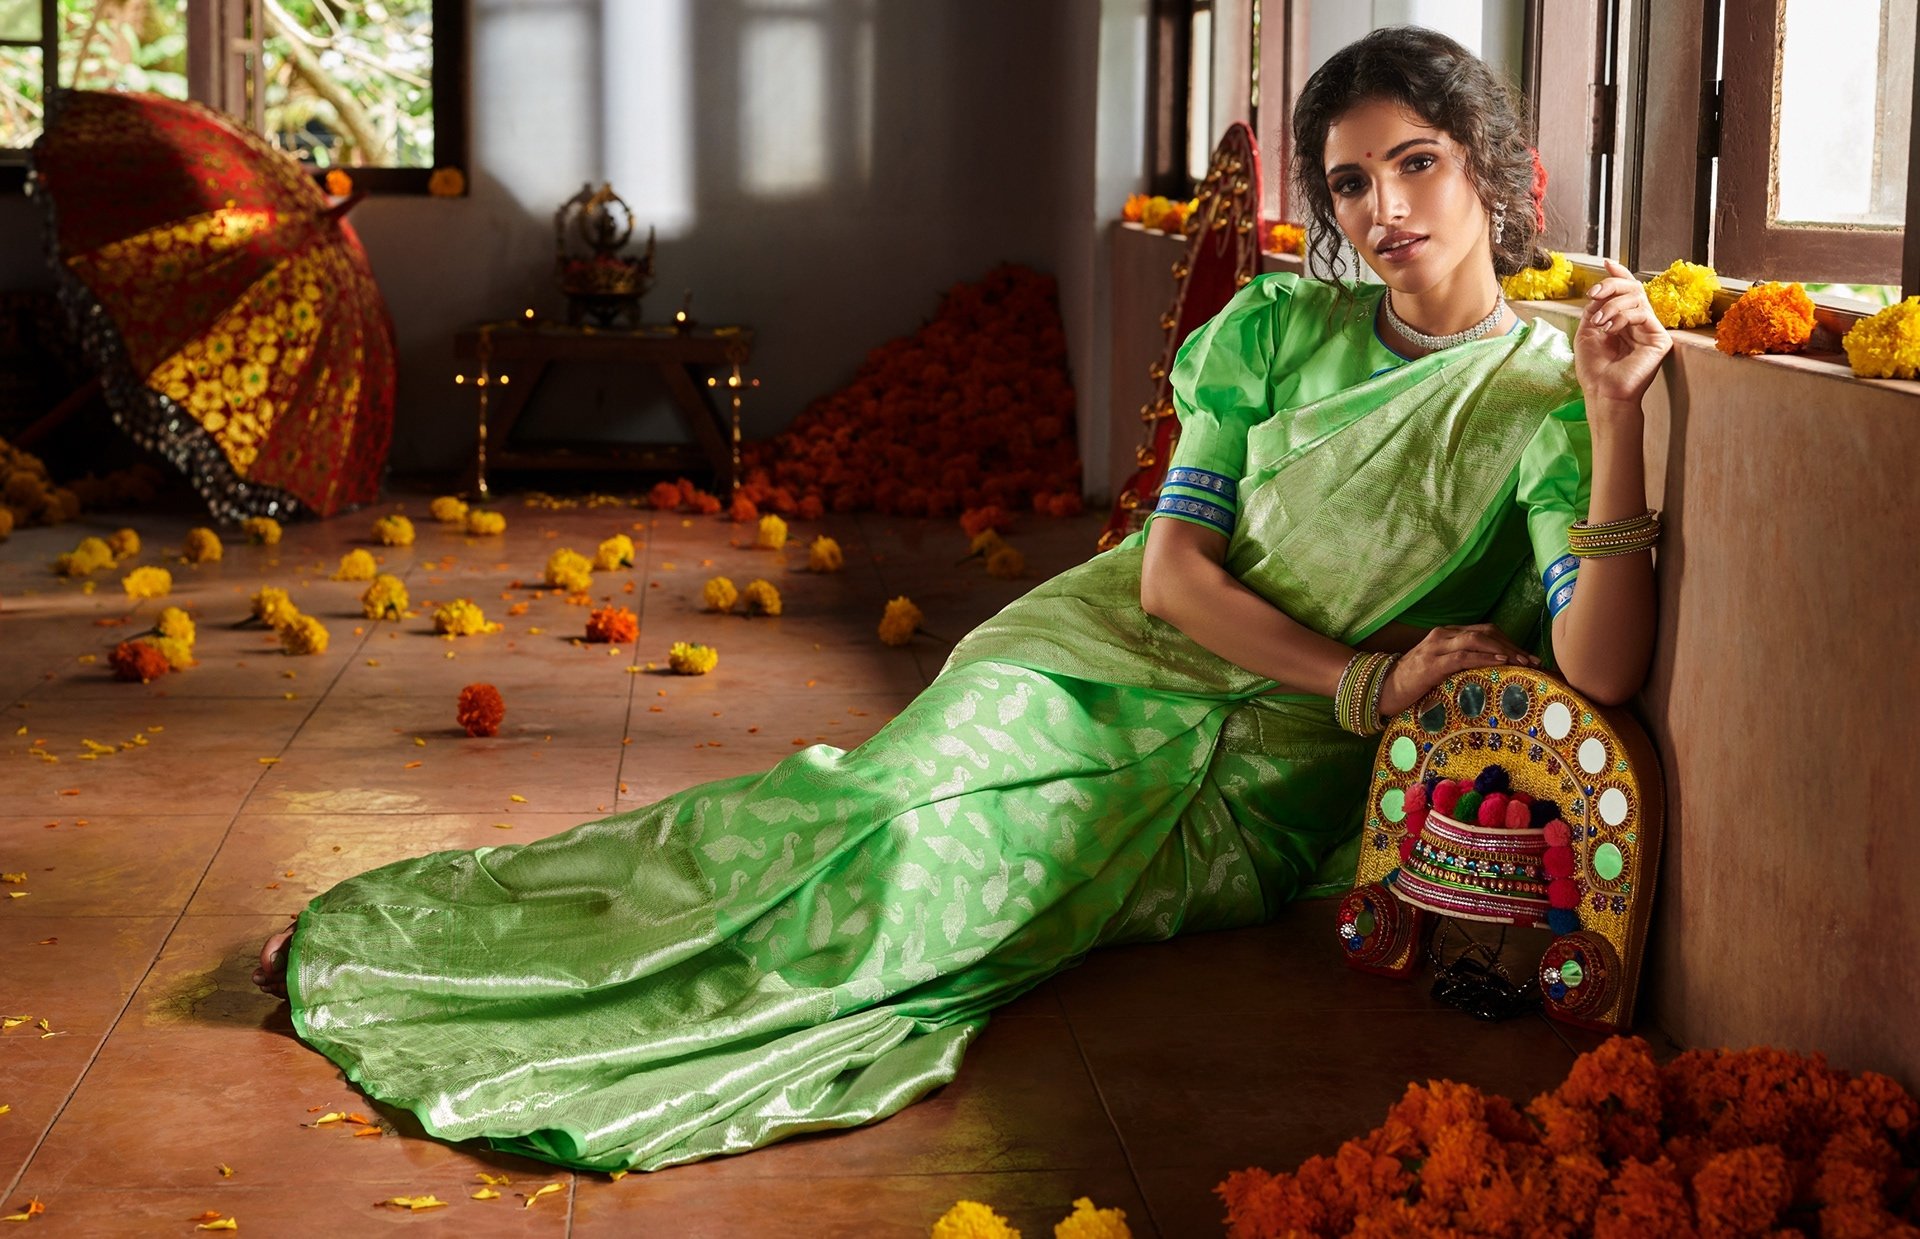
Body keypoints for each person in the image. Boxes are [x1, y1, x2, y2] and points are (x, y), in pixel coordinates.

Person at [254, 26, 1665, 1173]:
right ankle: (457, 948)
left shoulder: (1542, 401)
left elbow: (1598, 666)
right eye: (1351, 183)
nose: (1383, 209)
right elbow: (1171, 578)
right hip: (1098, 654)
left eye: (1415, 165)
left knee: (935, 911)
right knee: (874, 810)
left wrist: (1615, 421)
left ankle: (544, 991)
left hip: (1255, 785)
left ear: (1491, 167)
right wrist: (1366, 683)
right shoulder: (1283, 329)